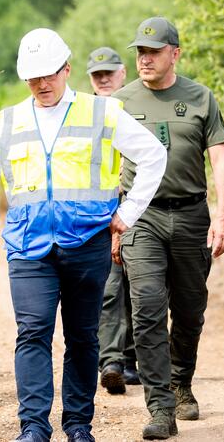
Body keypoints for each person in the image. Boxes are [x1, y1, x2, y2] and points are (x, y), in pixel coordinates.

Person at [0, 28, 166, 442]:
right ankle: (34, 427)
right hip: (28, 246)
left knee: (82, 336)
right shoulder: (11, 118)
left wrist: (127, 213)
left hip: (87, 244)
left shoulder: (102, 112)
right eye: (32, 77)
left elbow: (154, 155)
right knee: (32, 331)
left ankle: (77, 425)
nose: (41, 84)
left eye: (49, 75)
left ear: (67, 69)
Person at [116, 17, 224, 440]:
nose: (144, 59)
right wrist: (115, 222)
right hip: (141, 216)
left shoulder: (201, 98)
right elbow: (107, 166)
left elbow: (220, 158)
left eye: (153, 51)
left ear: (175, 53)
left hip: (191, 216)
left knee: (189, 310)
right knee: (146, 306)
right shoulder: (121, 101)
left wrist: (222, 217)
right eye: (140, 52)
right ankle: (160, 404)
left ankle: (182, 381)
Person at [85, 46, 141, 394]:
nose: (104, 79)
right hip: (102, 211)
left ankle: (133, 359)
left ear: (123, 73)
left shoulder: (137, 107)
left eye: (110, 73)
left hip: (139, 207)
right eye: (97, 74)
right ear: (90, 79)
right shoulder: (86, 114)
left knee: (142, 289)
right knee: (110, 288)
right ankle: (111, 361)